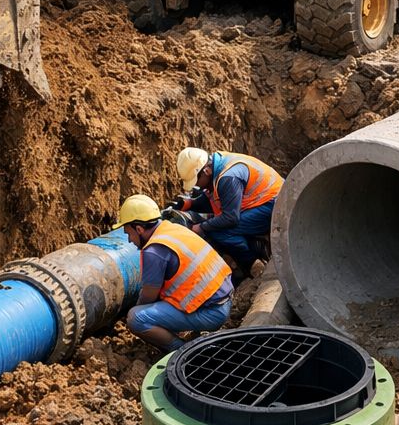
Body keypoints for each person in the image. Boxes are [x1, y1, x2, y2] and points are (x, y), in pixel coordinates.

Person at [116, 194, 234, 351]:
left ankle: (182, 351)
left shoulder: (154, 250)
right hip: (224, 299)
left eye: (128, 233)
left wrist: (135, 312)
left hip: (211, 313)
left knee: (136, 318)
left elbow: (148, 296)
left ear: (139, 229)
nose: (130, 240)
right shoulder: (173, 228)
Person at [176, 148, 283, 277]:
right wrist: (190, 204)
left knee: (217, 230)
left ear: (206, 171)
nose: (197, 186)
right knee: (215, 224)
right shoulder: (219, 164)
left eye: (196, 181)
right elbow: (216, 196)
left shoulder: (228, 177)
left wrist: (200, 227)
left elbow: (230, 218)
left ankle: (253, 263)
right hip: (269, 200)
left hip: (275, 208)